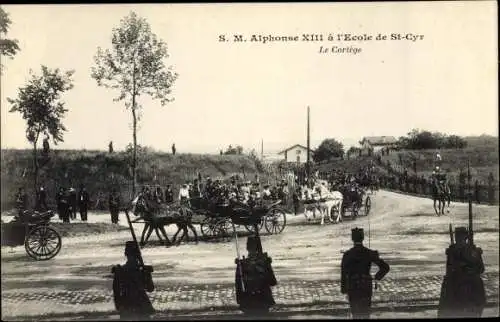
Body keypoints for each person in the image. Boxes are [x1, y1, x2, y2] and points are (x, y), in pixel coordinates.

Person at [341, 228, 390, 319]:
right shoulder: (370, 253)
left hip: (353, 287)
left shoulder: (347, 254)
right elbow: (385, 267)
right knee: (365, 314)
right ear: (363, 238)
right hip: (366, 286)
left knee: (355, 314)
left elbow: (343, 273)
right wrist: (376, 277)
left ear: (352, 239)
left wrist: (344, 290)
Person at [438, 227, 486, 318]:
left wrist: (468, 270)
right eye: (457, 237)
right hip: (456, 285)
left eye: (460, 237)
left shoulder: (473, 250)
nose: (458, 239)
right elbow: (449, 271)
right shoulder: (452, 251)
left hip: (471, 286)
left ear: (465, 238)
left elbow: (481, 269)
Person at [112, 241, 155, 320]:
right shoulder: (121, 270)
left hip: (129, 306)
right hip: (138, 305)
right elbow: (150, 288)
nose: (133, 258)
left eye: (133, 256)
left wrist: (119, 306)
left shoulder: (120, 270)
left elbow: (150, 288)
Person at [235, 236, 277, 316]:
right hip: (257, 302)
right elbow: (272, 281)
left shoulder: (244, 264)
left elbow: (272, 281)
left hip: (254, 302)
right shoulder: (243, 264)